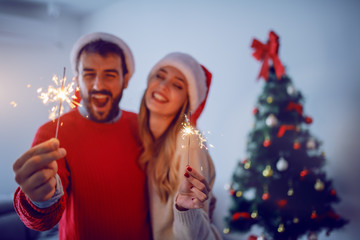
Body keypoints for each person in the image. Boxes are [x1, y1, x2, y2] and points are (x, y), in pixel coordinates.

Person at [12, 32, 151, 240]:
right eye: (89, 74)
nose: (98, 86)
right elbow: (44, 221)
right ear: (76, 79)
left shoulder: (143, 126)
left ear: (126, 80)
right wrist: (39, 200)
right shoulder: (52, 132)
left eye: (110, 75)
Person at [138, 52, 222, 240]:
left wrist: (185, 210)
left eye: (177, 85)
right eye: (159, 75)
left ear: (186, 102)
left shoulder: (189, 143)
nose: (163, 86)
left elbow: (194, 236)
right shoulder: (143, 139)